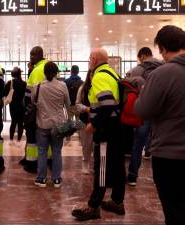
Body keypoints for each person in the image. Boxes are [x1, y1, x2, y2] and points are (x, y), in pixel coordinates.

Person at [135, 25, 185, 225]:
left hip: (170, 155)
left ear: (163, 48)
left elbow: (142, 110)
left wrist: (142, 92)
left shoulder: (163, 73)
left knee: (175, 210)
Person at [72, 48, 125, 221]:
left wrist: (94, 124)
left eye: (89, 59)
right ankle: (117, 202)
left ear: (94, 59)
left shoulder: (100, 76)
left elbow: (107, 104)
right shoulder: (112, 73)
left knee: (101, 168)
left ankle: (93, 206)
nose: (88, 62)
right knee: (117, 165)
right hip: (117, 128)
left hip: (105, 131)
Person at [126, 47, 163, 186]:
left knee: (138, 144)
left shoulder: (136, 70)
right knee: (160, 145)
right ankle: (159, 179)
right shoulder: (164, 67)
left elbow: (126, 86)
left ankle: (132, 177)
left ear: (142, 56)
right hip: (161, 113)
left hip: (143, 112)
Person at [34, 61, 70, 188]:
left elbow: (34, 102)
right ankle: (56, 179)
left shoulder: (37, 86)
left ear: (44, 72)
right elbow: (68, 105)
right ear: (57, 72)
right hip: (59, 124)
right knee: (56, 152)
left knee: (42, 151)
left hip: (42, 124)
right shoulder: (63, 86)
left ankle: (41, 179)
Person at [22, 46, 48, 173]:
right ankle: (48, 160)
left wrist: (27, 109)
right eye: (30, 54)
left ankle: (31, 163)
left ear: (40, 55)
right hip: (49, 111)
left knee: (32, 136)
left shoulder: (37, 71)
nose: (31, 57)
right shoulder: (49, 67)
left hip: (36, 111)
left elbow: (31, 95)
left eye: (34, 55)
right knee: (47, 137)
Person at [76, 70, 93, 175]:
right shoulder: (82, 88)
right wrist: (86, 109)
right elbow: (77, 104)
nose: (93, 76)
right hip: (84, 120)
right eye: (91, 74)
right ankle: (85, 163)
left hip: (98, 121)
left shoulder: (101, 87)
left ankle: (97, 165)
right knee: (86, 144)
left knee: (97, 145)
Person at [4, 67, 26, 145]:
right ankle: (19, 140)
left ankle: (11, 140)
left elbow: (5, 93)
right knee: (20, 123)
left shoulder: (10, 83)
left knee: (13, 122)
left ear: (13, 74)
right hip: (22, 105)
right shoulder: (24, 83)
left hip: (13, 105)